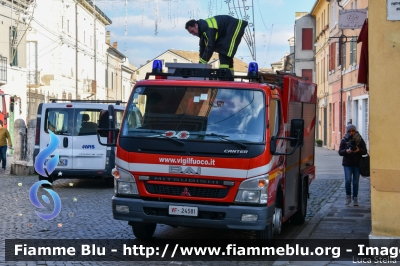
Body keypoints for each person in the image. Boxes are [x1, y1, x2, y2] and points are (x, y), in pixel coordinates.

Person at [338, 124, 367, 206]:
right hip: (347, 164)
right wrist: (346, 151)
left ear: (355, 131)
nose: (351, 133)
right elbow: (340, 152)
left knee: (355, 182)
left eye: (353, 131)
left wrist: (358, 150)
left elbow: (365, 151)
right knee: (347, 181)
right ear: (347, 131)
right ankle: (348, 197)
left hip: (357, 164)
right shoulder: (344, 140)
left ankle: (355, 199)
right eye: (349, 131)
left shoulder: (359, 139)